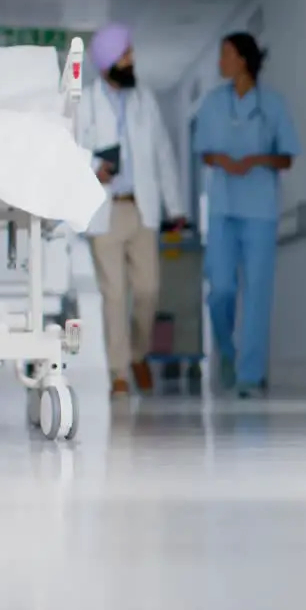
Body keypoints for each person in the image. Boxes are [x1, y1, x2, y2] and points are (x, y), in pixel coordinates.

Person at [79, 22, 188, 397]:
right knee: (114, 294)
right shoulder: (86, 102)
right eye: (125, 54)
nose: (132, 58)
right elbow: (72, 151)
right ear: (110, 62)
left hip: (142, 208)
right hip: (105, 208)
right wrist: (95, 168)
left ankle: (139, 353)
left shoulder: (145, 99)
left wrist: (176, 207)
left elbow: (162, 154)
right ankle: (119, 373)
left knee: (148, 290)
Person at [193, 33, 300, 397]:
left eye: (226, 54)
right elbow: (204, 151)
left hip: (259, 210)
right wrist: (221, 159)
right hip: (223, 207)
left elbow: (286, 156)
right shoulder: (212, 103)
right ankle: (227, 351)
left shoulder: (272, 104)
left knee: (257, 296)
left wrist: (256, 160)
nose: (221, 61)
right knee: (220, 289)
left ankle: (250, 376)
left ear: (243, 60)